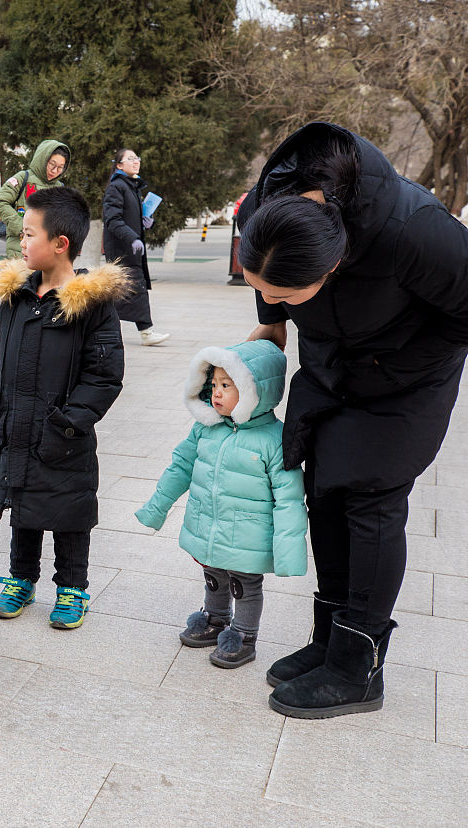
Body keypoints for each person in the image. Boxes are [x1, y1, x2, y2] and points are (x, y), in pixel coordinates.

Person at [238, 121, 468, 718]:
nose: (274, 300)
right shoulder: (273, 204)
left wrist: (388, 363)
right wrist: (273, 323)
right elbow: (271, 281)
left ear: (335, 264)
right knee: (324, 491)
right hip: (331, 364)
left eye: (288, 294)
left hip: (406, 379)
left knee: (368, 500)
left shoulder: (414, 232)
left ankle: (359, 668)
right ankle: (329, 642)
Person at [0, 187, 128, 629]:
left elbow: (103, 377)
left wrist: (68, 423)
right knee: (21, 502)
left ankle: (72, 588)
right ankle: (21, 578)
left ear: (60, 243)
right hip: (15, 426)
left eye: (28, 234)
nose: (20, 242)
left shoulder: (92, 306)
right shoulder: (17, 297)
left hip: (63, 436)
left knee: (68, 510)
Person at [135, 341, 308, 668]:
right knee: (213, 574)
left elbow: (289, 499)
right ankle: (215, 618)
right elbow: (180, 467)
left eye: (227, 386)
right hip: (209, 526)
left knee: (244, 584)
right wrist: (157, 506)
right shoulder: (205, 429)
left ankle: (243, 636)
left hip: (248, 535)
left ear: (255, 390)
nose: (216, 393)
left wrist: (288, 550)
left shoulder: (274, 439)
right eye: (213, 385)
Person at [103, 148, 169, 346]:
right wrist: (132, 237)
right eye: (130, 159)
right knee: (132, 290)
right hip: (121, 250)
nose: (135, 161)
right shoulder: (117, 187)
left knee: (125, 292)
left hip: (131, 249)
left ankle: (140, 332)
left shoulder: (132, 187)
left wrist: (146, 222)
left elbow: (129, 217)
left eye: (137, 158)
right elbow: (112, 220)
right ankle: (146, 333)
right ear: (119, 165)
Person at [0, 139, 71, 260]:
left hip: (48, 252)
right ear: (43, 159)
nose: (55, 171)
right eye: (52, 164)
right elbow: (0, 201)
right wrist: (22, 227)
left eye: (60, 167)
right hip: (20, 249)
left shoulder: (60, 188)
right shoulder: (22, 178)